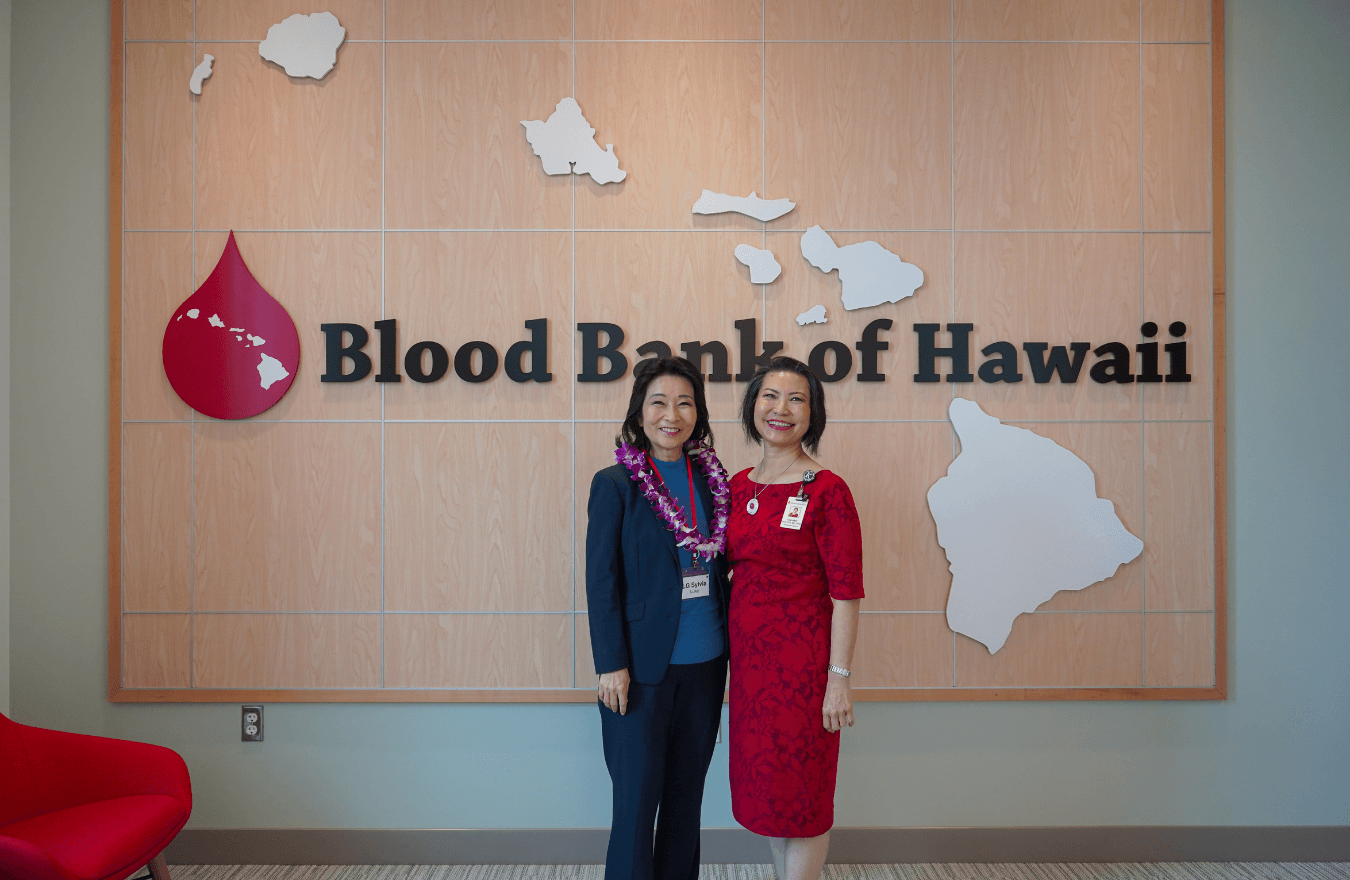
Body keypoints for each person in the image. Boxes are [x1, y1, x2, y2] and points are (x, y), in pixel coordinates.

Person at [585, 355, 733, 880]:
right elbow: (601, 582)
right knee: (634, 808)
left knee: (683, 807)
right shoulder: (616, 485)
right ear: (639, 413)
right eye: (659, 402)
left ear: (699, 413)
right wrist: (610, 664)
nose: (673, 414)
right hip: (639, 673)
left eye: (685, 402)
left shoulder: (716, 483)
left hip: (706, 667)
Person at [726, 356, 864, 880]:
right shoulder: (737, 487)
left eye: (796, 399)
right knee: (769, 801)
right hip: (751, 675)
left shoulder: (829, 491)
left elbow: (847, 594)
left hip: (805, 674)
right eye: (770, 396)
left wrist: (839, 681)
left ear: (813, 414)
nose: (780, 409)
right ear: (752, 405)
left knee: (803, 803)